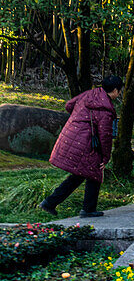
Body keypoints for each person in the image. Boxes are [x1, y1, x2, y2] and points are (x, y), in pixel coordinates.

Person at [40, 76, 122, 218]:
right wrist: (106, 157)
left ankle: (50, 203)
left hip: (72, 135)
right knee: (94, 171)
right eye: (119, 91)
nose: (119, 94)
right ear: (115, 90)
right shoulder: (106, 111)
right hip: (85, 142)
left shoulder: (90, 94)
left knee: (81, 173)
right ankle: (87, 209)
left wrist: (79, 119)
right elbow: (105, 137)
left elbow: (69, 105)